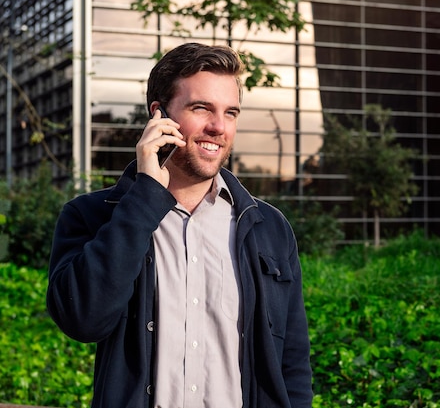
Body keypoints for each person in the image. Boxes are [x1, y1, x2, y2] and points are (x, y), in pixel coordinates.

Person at [47, 42, 313, 408]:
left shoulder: (269, 227)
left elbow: (293, 363)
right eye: (201, 108)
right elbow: (83, 320)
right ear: (159, 115)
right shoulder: (93, 215)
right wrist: (143, 200)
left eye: (230, 112)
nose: (219, 126)